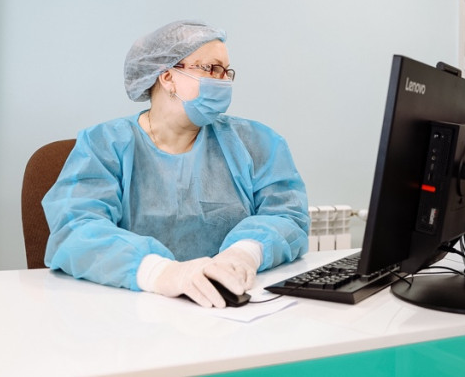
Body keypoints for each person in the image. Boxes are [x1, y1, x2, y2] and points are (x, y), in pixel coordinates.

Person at [42, 20, 310, 308]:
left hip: (231, 304)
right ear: (168, 77)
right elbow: (76, 230)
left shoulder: (255, 142)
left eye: (226, 72)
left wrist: (245, 252)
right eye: (211, 69)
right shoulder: (104, 146)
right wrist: (160, 272)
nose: (223, 81)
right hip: (133, 309)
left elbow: (287, 215)